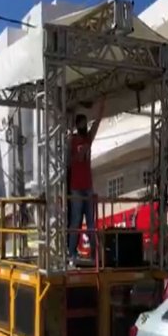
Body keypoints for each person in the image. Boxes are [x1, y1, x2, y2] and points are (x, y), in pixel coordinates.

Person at [68, 98, 106, 265]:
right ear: (77, 125)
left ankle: (93, 254)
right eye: (81, 123)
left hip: (87, 185)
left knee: (91, 222)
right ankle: (71, 252)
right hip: (76, 186)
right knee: (76, 220)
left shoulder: (88, 137)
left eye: (85, 123)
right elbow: (70, 160)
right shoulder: (73, 139)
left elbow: (97, 124)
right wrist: (80, 153)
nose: (83, 126)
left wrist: (102, 106)